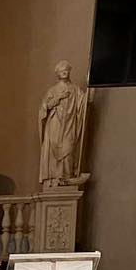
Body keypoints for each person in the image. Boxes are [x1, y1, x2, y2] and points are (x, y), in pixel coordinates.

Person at [38, 60, 88, 188]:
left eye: (66, 69)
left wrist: (89, 93)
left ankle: (65, 177)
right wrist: (58, 97)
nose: (64, 72)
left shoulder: (75, 90)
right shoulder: (53, 90)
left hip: (69, 125)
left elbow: (83, 104)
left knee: (68, 147)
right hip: (55, 124)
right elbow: (45, 107)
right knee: (52, 151)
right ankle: (54, 178)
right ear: (58, 73)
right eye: (61, 70)